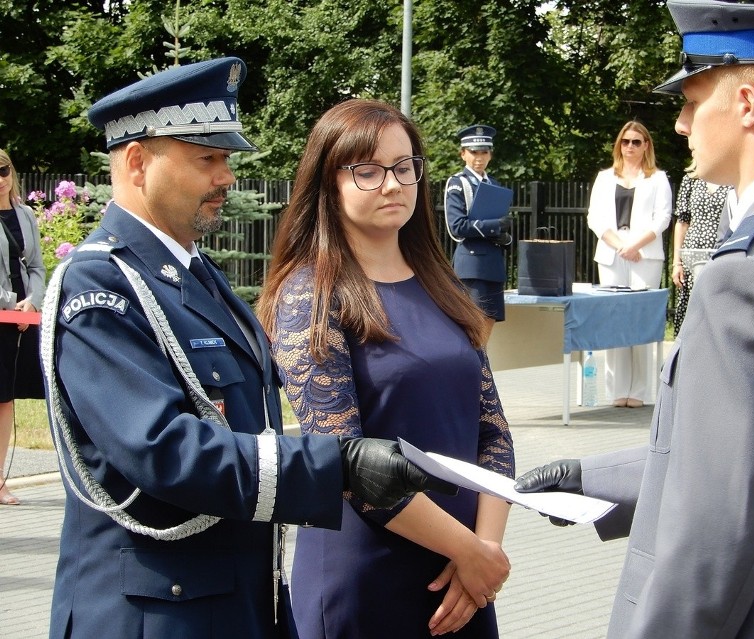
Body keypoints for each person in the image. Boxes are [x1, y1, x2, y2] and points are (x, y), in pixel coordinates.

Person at [42, 58, 454, 639]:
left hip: (231, 605)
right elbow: (163, 448)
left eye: (227, 159)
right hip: (149, 615)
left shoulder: (200, 280)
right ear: (137, 162)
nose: (227, 178)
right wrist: (339, 464)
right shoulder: (101, 287)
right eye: (206, 159)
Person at [515, 1, 754, 637]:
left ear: (747, 104)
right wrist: (589, 477)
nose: (681, 123)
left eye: (693, 100)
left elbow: (715, 534)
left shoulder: (745, 277)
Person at [255, 100, 515, 638]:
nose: (392, 184)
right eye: (368, 171)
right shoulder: (311, 294)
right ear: (329, 183)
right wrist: (469, 551)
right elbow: (346, 462)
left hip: (458, 581)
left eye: (404, 167)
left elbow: (493, 434)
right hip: (366, 576)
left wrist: (484, 551)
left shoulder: (442, 286)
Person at [586, 121, 672, 408]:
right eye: (626, 141)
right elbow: (594, 218)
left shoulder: (658, 178)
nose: (631, 147)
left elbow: (662, 218)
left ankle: (641, 390)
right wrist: (620, 245)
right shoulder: (604, 177)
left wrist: (635, 245)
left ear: (646, 145)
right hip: (612, 254)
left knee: (641, 321)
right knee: (615, 322)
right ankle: (617, 389)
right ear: (619, 145)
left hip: (644, 255)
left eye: (637, 141)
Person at [0, 148, 46, 506]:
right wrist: (7, 303)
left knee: (6, 400)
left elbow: (36, 266)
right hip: (4, 313)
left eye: (3, 170)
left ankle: (0, 481)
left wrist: (31, 300)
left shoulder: (26, 214)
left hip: (22, 319)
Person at [444, 124, 513, 342]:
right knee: (472, 329)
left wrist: (504, 235)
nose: (479, 158)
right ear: (463, 153)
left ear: (490, 154)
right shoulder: (458, 183)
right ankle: (473, 374)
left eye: (484, 152)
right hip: (471, 266)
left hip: (493, 264)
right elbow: (456, 227)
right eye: (474, 152)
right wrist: (494, 226)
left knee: (488, 327)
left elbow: (498, 226)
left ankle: (481, 373)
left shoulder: (493, 184)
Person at [670, 162, 732, 335]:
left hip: (720, 250)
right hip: (692, 254)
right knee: (692, 309)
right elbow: (682, 223)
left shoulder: (732, 179)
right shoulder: (690, 180)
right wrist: (677, 263)